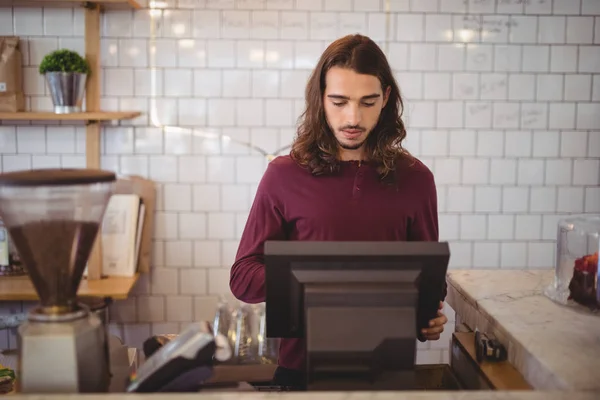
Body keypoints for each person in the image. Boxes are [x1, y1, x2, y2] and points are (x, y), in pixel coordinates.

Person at [229, 34, 448, 389]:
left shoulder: (417, 180)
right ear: (321, 98)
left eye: (367, 102)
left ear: (386, 99)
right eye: (339, 101)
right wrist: (314, 279)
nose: (353, 117)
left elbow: (428, 279)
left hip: (386, 377)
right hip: (301, 376)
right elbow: (242, 276)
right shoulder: (284, 174)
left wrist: (427, 317)